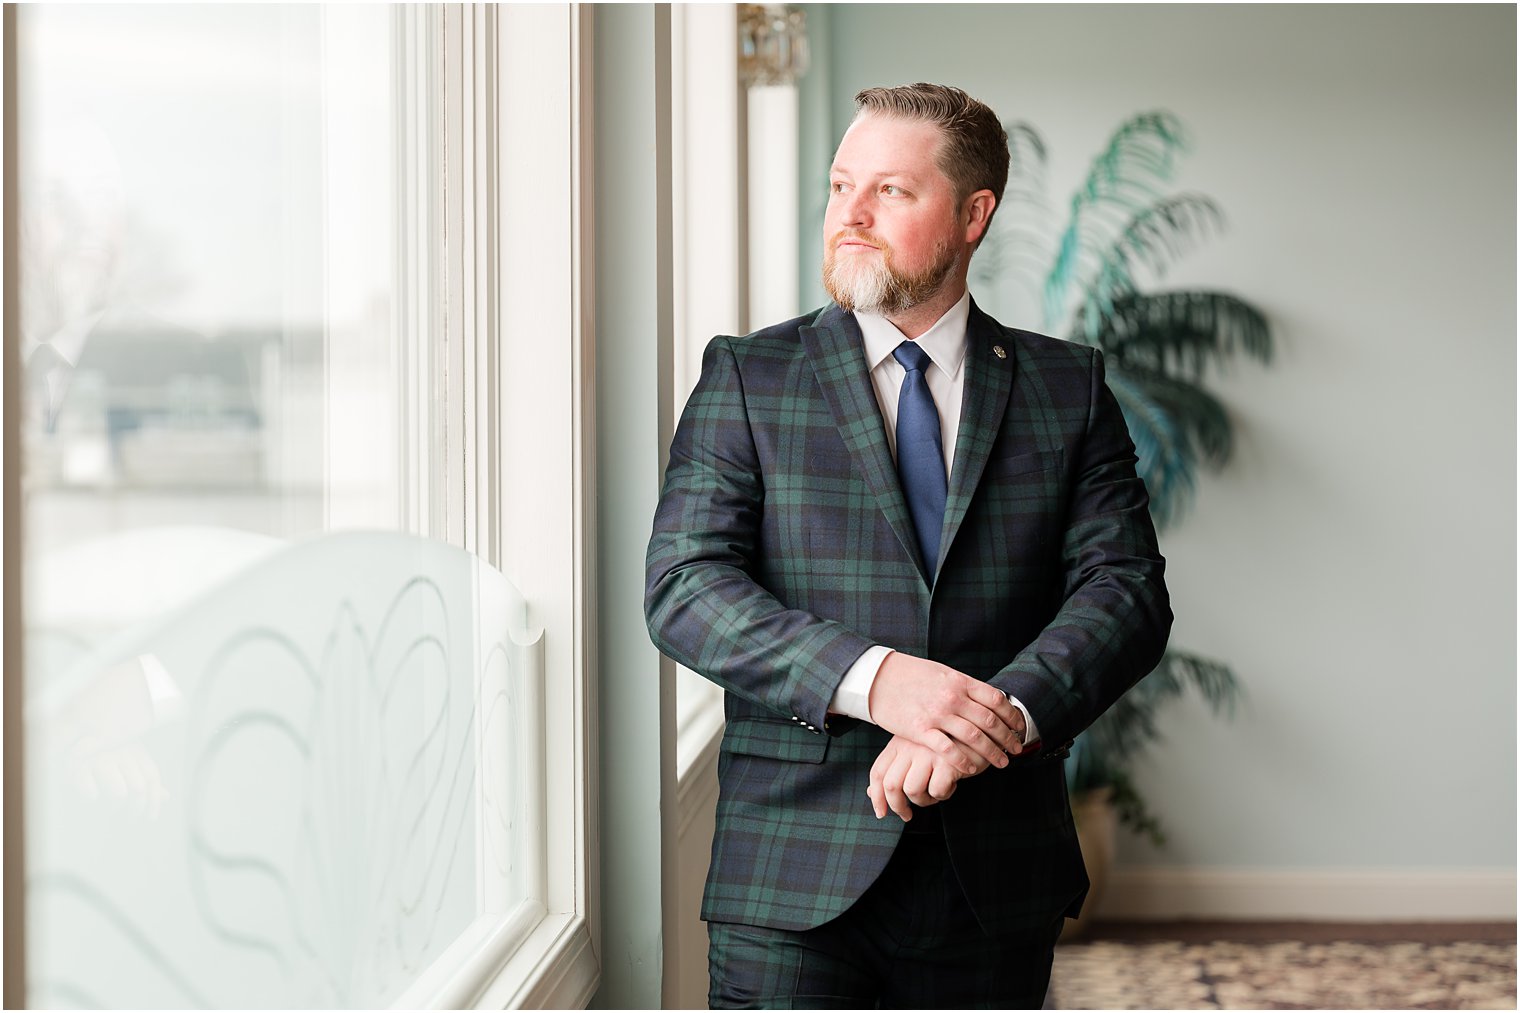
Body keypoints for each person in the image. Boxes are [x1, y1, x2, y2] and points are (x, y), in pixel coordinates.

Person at [645, 83, 1172, 1009]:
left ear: (975, 215)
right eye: (842, 185)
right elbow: (686, 587)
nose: (849, 214)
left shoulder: (1067, 387)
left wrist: (992, 717)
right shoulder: (750, 375)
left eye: (889, 192)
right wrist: (884, 681)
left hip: (995, 871)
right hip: (792, 875)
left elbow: (1125, 591)